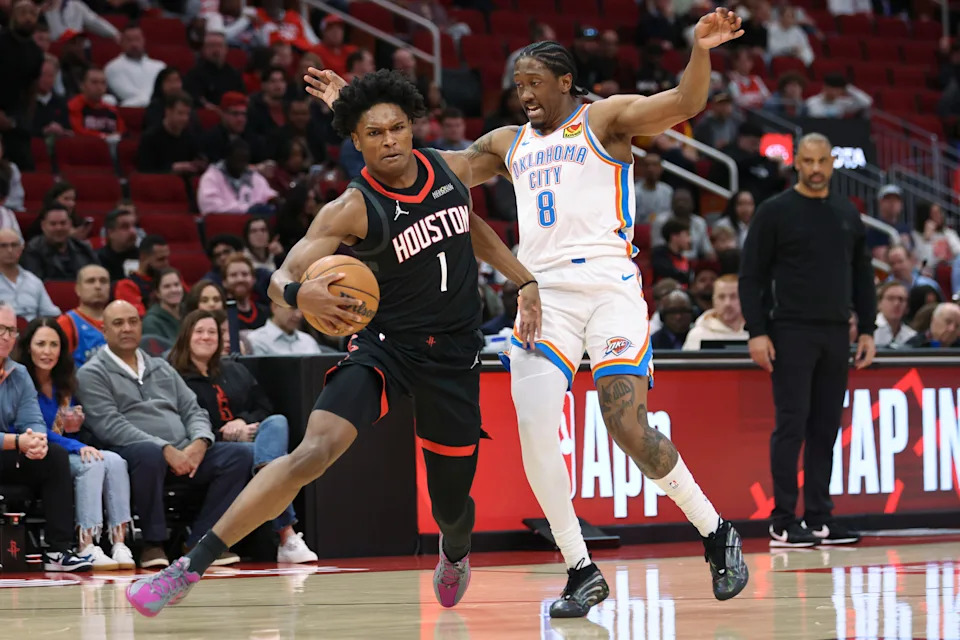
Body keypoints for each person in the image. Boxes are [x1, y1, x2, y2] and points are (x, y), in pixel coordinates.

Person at [300, 9, 749, 616]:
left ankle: (714, 530)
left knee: (625, 425)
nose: (524, 94)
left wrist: (699, 48)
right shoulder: (508, 143)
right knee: (536, 431)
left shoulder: (605, 119)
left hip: (609, 287)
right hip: (542, 295)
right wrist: (350, 108)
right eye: (518, 86)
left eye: (534, 82)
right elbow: (422, 168)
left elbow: (685, 100)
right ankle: (580, 568)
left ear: (565, 81)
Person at [126, 69, 542, 617]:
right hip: (386, 346)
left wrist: (526, 280)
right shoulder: (351, 207)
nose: (390, 140)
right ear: (356, 143)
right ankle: (190, 566)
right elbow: (278, 278)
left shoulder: (450, 169)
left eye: (397, 127)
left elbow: (479, 202)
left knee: (451, 509)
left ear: (412, 127)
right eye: (375, 133)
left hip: (454, 357)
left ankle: (456, 552)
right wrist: (302, 295)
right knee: (313, 451)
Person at [739, 133, 877, 548]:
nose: (816, 169)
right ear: (796, 162)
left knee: (826, 427)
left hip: (836, 332)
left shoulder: (847, 213)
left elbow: (862, 276)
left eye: (822, 161)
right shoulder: (774, 211)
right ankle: (783, 519)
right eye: (808, 161)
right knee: (792, 425)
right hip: (790, 331)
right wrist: (757, 331)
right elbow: (751, 276)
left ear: (832, 164)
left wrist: (867, 327)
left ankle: (819, 516)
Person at [78, 300, 252, 569]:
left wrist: (200, 442)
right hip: (135, 453)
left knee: (240, 455)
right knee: (148, 454)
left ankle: (201, 541)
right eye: (118, 323)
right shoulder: (92, 373)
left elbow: (193, 409)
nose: (127, 328)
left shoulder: (161, 366)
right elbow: (109, 425)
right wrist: (164, 448)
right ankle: (152, 544)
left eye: (133, 322)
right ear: (104, 330)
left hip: (185, 452)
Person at [168, 310, 319, 563]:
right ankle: (286, 532)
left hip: (252, 441)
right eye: (200, 332)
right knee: (252, 454)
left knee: (277, 422)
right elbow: (180, 423)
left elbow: (264, 408)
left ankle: (265, 471)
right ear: (186, 337)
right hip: (207, 447)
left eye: (212, 332)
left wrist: (243, 422)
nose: (207, 337)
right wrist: (223, 433)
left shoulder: (235, 370)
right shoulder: (175, 376)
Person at [14, 318, 135, 570]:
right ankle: (86, 543)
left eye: (54, 344)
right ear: (28, 347)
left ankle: (118, 541)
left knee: (115, 460)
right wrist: (75, 445)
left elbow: (73, 427)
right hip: (42, 454)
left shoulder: (66, 382)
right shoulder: (21, 381)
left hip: (69, 448)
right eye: (41, 344)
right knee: (92, 464)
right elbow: (29, 429)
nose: (47, 351)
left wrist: (77, 426)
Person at [0, 302, 92, 571]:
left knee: (55, 456)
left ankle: (58, 551)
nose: (6, 337)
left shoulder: (20, 374)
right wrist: (18, 442)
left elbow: (33, 421)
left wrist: (37, 441)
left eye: (11, 330)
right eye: (0, 329)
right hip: (8, 447)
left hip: (9, 455)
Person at [21, 206, 100, 281]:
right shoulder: (33, 250)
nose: (59, 228)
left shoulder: (83, 248)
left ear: (70, 224)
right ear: (43, 226)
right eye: (53, 224)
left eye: (63, 223)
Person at [0, 228, 61, 321]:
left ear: (21, 248)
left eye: (14, 245)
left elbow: (51, 314)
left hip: (31, 332)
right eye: (3, 246)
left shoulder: (34, 281)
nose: (9, 250)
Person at [56, 265, 109, 369]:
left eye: (103, 281)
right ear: (78, 289)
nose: (98, 286)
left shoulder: (121, 321)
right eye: (90, 281)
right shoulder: (66, 322)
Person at [682, 275, 748, 349]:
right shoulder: (697, 335)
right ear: (713, 300)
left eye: (733, 296)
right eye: (721, 297)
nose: (727, 303)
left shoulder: (757, 333)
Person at [246, 301, 325, 355]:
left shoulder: (309, 341)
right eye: (293, 308)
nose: (299, 315)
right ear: (275, 306)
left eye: (301, 309)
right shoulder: (255, 340)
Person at [142, 268, 184, 341]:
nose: (174, 290)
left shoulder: (189, 312)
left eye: (176, 284)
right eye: (167, 286)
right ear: (158, 293)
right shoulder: (151, 322)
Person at [874, 281, 916, 349]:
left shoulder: (911, 335)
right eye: (890, 298)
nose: (896, 303)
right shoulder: (870, 331)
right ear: (879, 303)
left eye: (901, 299)